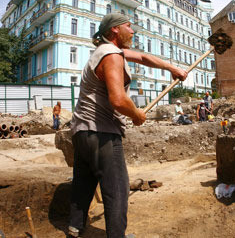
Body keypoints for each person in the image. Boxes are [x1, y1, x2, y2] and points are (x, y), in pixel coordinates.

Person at [68, 13, 187, 238]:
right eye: (128, 26)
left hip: (82, 131)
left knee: (83, 183)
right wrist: (137, 114)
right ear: (114, 30)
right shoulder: (111, 56)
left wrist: (173, 69)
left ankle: (74, 228)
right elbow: (118, 100)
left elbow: (142, 57)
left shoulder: (104, 52)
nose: (132, 31)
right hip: (102, 131)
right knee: (117, 189)